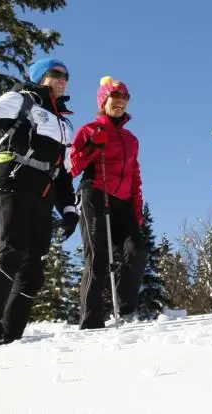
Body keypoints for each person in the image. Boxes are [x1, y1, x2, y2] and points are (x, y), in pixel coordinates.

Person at [0, 57, 79, 345]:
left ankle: (9, 337)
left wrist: (69, 209)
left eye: (66, 76)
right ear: (38, 77)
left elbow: (63, 173)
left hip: (43, 194)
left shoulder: (64, 124)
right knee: (10, 251)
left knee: (33, 270)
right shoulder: (18, 99)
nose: (62, 79)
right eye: (55, 74)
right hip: (8, 182)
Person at [69, 76, 147, 329]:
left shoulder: (131, 139)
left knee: (135, 250)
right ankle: (91, 320)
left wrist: (136, 212)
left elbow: (135, 177)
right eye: (115, 96)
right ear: (104, 100)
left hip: (122, 201)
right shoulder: (89, 130)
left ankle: (125, 311)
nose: (121, 102)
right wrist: (92, 147)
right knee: (98, 256)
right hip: (95, 193)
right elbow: (72, 167)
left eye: (125, 97)